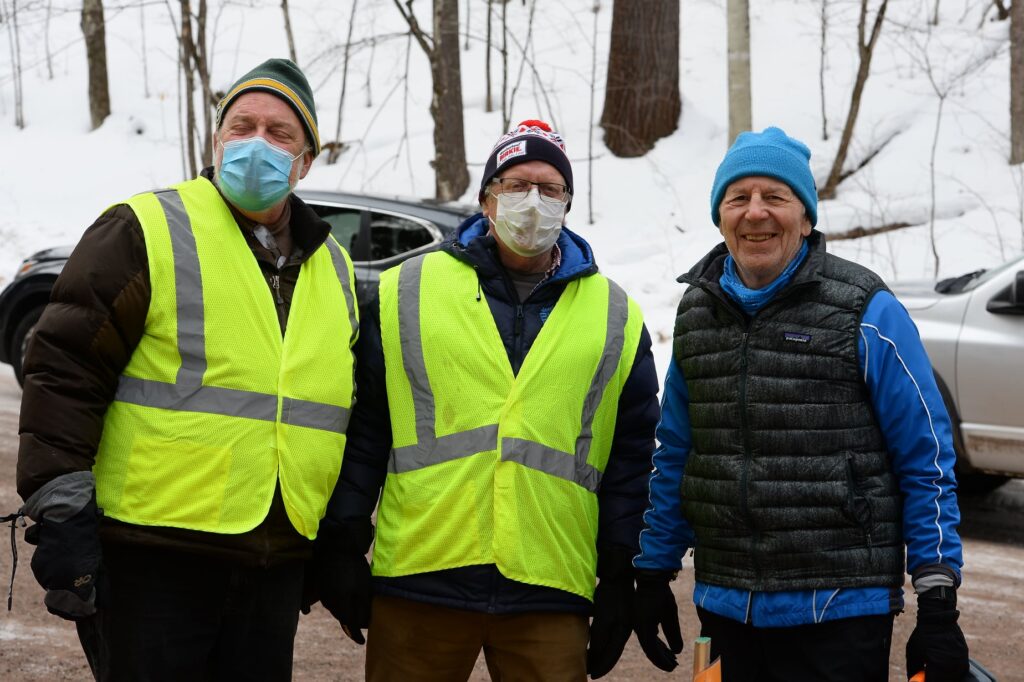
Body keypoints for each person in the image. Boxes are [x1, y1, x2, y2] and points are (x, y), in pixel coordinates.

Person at [16, 58, 361, 680]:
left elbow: (335, 408)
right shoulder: (144, 228)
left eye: (280, 133)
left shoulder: (332, 266)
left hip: (272, 565)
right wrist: (62, 508)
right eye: (242, 125)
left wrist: (332, 541)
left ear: (307, 161)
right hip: (154, 563)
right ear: (215, 140)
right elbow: (65, 371)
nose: (258, 143)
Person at [325, 119, 660, 681]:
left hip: (549, 583)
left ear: (568, 203)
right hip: (422, 575)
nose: (533, 201)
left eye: (550, 188)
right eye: (515, 184)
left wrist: (622, 570)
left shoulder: (616, 315)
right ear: (486, 201)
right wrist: (342, 536)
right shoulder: (407, 290)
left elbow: (630, 456)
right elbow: (366, 429)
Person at [632, 127, 969, 681]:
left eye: (775, 197)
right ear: (720, 217)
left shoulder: (866, 308)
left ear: (806, 216)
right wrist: (653, 570)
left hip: (840, 609)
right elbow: (678, 452)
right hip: (725, 604)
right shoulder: (697, 311)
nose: (755, 213)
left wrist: (937, 599)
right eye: (738, 198)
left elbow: (926, 458)